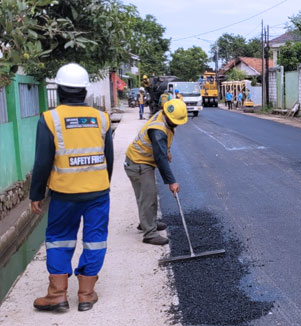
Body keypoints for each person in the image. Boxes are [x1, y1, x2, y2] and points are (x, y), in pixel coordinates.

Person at [30, 63, 113, 312]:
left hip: (64, 194)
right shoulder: (101, 118)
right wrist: (101, 184)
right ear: (85, 91)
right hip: (98, 193)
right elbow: (107, 157)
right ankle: (86, 294)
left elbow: (42, 161)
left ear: (59, 89)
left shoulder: (49, 118)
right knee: (95, 240)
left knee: (59, 240)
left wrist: (36, 194)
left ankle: (57, 294)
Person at [124, 99, 188, 245]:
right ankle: (149, 233)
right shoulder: (158, 130)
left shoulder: (164, 116)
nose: (176, 124)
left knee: (146, 195)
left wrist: (168, 150)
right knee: (148, 196)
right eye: (175, 122)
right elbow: (160, 158)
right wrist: (171, 182)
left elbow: (164, 144)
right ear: (167, 115)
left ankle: (147, 221)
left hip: (141, 161)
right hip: (138, 162)